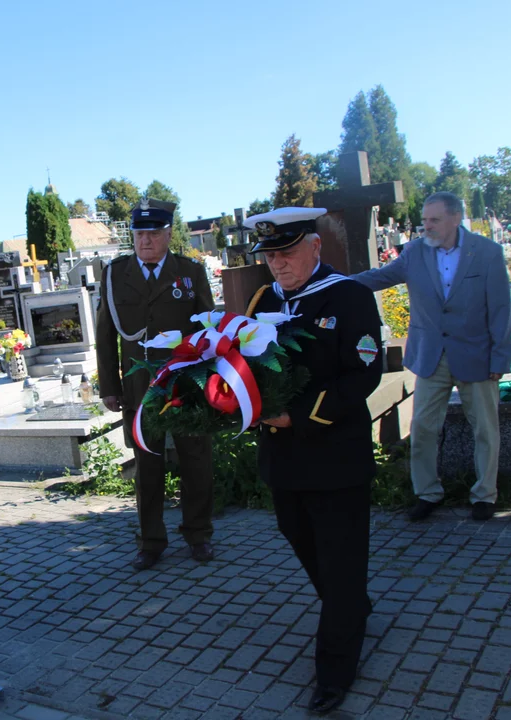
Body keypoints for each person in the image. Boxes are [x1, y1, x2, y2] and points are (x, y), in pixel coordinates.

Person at [245, 207, 383, 715]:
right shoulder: (263, 301)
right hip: (284, 462)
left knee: (343, 565)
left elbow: (364, 373)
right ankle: (351, 611)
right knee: (303, 542)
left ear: (314, 246)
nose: (276, 263)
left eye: (285, 251)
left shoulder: (349, 297)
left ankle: (335, 669)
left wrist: (298, 416)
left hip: (335, 457)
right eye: (269, 255)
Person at [352, 191, 511, 522]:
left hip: (477, 357)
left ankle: (485, 495)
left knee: (485, 428)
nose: (427, 226)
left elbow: (500, 310)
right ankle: (427, 493)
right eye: (424, 220)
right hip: (431, 357)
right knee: (423, 427)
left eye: (434, 220)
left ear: (455, 218)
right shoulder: (413, 252)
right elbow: (378, 278)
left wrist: (500, 360)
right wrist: (334, 284)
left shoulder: (487, 253)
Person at [95, 197, 217, 571]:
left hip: (184, 382)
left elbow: (207, 328)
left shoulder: (190, 272)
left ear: (168, 234)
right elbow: (105, 334)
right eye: (139, 233)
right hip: (140, 387)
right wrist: (109, 386)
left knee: (196, 459)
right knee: (147, 464)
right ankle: (151, 542)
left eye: (153, 233)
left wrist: (211, 381)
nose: (145, 240)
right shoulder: (116, 273)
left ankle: (198, 534)